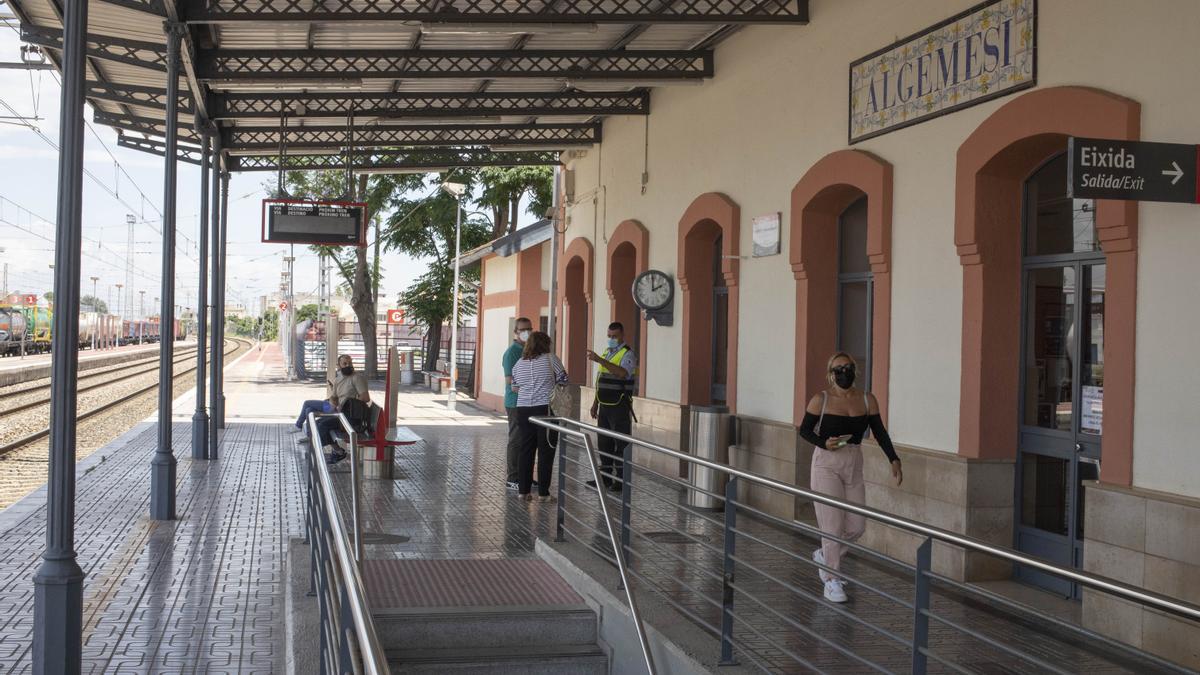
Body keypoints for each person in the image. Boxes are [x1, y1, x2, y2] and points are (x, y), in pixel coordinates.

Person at [797, 352, 902, 603]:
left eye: (848, 367)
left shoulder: (867, 400)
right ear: (830, 374)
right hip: (826, 464)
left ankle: (825, 554)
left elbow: (879, 432)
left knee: (857, 525)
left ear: (855, 370)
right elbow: (804, 431)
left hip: (854, 461)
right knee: (832, 525)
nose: (844, 372)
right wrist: (824, 442)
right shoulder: (820, 400)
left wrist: (894, 459)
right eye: (838, 369)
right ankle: (831, 581)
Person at [509, 331, 567, 502]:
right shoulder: (551, 359)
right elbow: (564, 379)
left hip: (524, 409)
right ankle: (543, 493)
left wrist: (529, 390)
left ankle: (523, 492)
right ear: (546, 344)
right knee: (546, 451)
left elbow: (514, 387)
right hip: (544, 410)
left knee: (526, 450)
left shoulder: (519, 363)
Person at [586, 322, 638, 492]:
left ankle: (621, 481)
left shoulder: (627, 354)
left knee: (620, 444)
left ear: (622, 335)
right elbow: (601, 379)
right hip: (604, 405)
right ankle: (605, 479)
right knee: (604, 443)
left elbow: (623, 373)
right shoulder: (608, 353)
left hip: (619, 406)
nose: (611, 339)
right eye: (609, 336)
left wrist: (600, 360)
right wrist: (595, 404)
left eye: (614, 336)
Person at [297, 354, 371, 464]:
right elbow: (335, 397)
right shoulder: (338, 379)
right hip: (340, 414)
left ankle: (335, 452)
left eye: (350, 363)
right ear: (339, 366)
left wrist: (345, 403)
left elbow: (365, 397)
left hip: (351, 417)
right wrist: (331, 403)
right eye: (345, 363)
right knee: (316, 423)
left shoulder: (357, 378)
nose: (348, 365)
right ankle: (336, 451)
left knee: (321, 425)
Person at [502, 317, 533, 490]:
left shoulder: (529, 350)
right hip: (515, 403)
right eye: (523, 329)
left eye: (529, 329)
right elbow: (510, 381)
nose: (527, 332)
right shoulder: (512, 352)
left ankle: (525, 476)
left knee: (527, 441)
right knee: (516, 439)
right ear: (516, 332)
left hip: (528, 402)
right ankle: (512, 477)